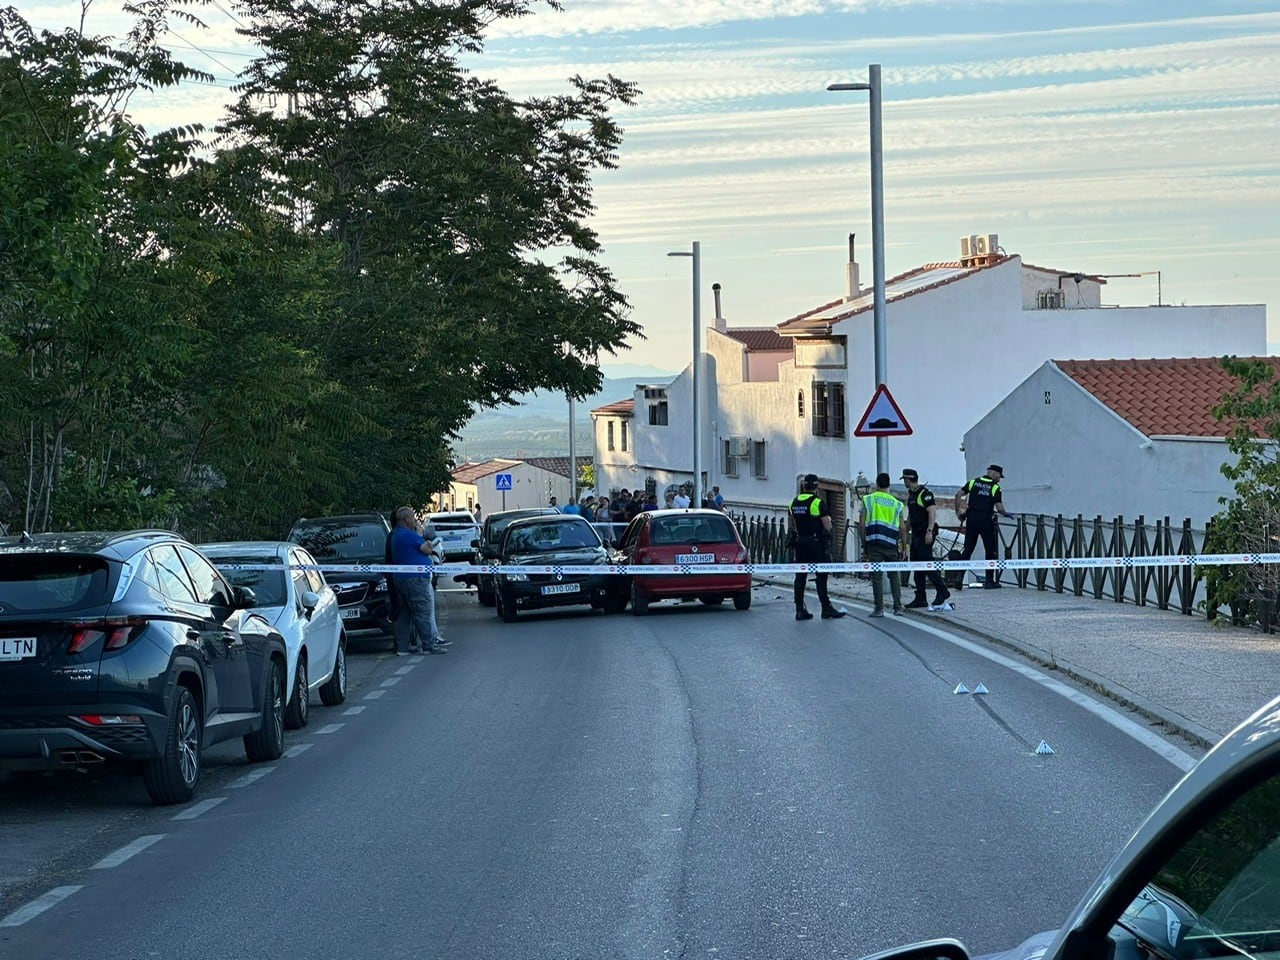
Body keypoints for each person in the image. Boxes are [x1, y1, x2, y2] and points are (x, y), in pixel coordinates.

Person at [789, 474, 846, 621]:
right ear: (817, 487)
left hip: (800, 542)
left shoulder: (794, 503)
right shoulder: (817, 503)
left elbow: (792, 524)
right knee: (821, 575)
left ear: (804, 486)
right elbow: (827, 525)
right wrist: (829, 531)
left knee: (800, 576)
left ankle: (800, 609)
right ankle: (826, 608)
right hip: (816, 543)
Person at [390, 507, 447, 654]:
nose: (415, 520)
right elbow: (426, 550)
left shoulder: (396, 534)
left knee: (404, 614)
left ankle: (403, 648)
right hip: (415, 580)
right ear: (406, 519)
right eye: (413, 517)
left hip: (401, 579)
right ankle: (428, 645)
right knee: (423, 611)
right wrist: (427, 542)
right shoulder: (409, 535)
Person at [900, 468, 952, 611]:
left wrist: (929, 531)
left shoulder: (925, 494)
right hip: (916, 534)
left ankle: (942, 591)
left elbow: (932, 512)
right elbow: (911, 516)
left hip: (925, 533)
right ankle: (920, 598)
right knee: (917, 566)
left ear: (908, 479)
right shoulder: (912, 495)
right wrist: (905, 530)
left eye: (904, 479)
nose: (904, 482)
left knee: (927, 563)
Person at [954, 464, 1010, 589]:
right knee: (990, 550)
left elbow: (958, 495)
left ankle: (959, 577)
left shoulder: (973, 482)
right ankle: (990, 580)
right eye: (999, 476)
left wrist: (958, 512)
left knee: (967, 549)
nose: (999, 479)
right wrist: (1006, 514)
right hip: (986, 521)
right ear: (994, 473)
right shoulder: (995, 487)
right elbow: (999, 506)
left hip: (972, 520)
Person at [859, 472, 907, 617]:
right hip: (892, 544)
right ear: (889, 485)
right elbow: (903, 528)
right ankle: (898, 607)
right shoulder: (897, 503)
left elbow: (862, 525)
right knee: (894, 576)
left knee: (877, 577)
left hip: (874, 544)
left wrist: (864, 544)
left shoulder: (868, 499)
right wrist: (904, 547)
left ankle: (879, 609)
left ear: (877, 484)